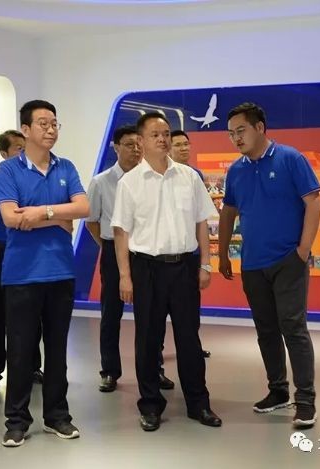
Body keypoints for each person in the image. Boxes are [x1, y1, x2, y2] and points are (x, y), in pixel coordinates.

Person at [111, 112, 221, 432]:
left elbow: (202, 222)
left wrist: (205, 263)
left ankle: (198, 403)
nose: (162, 139)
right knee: (147, 339)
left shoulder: (189, 177)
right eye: (155, 135)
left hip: (184, 266)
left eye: (166, 134)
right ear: (141, 141)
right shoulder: (129, 183)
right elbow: (121, 233)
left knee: (189, 338)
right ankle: (150, 405)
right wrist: (125, 276)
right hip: (146, 269)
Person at [219, 102, 320, 429]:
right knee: (266, 330)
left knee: (293, 328)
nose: (236, 138)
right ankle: (277, 391)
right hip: (252, 264)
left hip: (288, 260)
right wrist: (223, 254)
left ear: (260, 127)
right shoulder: (236, 170)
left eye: (241, 130)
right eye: (231, 133)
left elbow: (314, 202)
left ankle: (305, 400)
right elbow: (228, 212)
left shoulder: (290, 158)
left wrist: (303, 250)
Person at [0, 100, 89, 447]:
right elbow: (10, 218)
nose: (51, 130)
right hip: (22, 274)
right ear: (26, 129)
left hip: (60, 271)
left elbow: (84, 207)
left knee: (58, 350)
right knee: (20, 351)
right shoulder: (8, 170)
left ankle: (57, 416)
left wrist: (41, 213)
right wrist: (60, 218)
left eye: (54, 124)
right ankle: (17, 420)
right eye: (43, 124)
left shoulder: (66, 167)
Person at [86, 125, 159, 392]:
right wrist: (112, 248)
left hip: (147, 252)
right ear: (116, 147)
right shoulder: (101, 181)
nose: (136, 149)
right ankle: (109, 370)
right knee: (111, 313)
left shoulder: (151, 178)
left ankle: (154, 369)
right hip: (113, 251)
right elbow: (92, 221)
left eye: (139, 144)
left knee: (151, 315)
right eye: (129, 144)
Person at [0, 130, 43, 395]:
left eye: (25, 147)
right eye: (17, 148)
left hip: (32, 252)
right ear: (4, 153)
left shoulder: (36, 179)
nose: (23, 152)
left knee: (33, 313)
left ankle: (32, 366)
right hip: (3, 252)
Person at [169, 129, 211, 359]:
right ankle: (157, 355)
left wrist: (205, 262)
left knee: (191, 307)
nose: (184, 148)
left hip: (190, 254)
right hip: (163, 256)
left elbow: (200, 219)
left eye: (186, 144)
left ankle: (192, 347)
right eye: (178, 145)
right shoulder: (158, 176)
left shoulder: (195, 175)